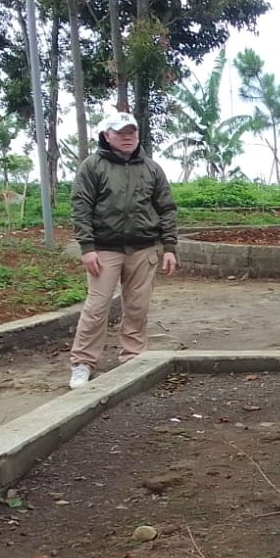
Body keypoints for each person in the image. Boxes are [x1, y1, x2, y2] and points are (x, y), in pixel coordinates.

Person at [67, 110, 178, 387]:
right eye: (120, 132)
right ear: (107, 135)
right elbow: (81, 207)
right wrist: (87, 247)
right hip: (104, 249)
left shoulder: (152, 169)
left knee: (138, 307)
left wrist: (169, 247)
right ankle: (82, 361)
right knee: (97, 306)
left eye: (132, 132)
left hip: (143, 248)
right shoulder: (92, 166)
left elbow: (166, 208)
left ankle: (132, 358)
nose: (127, 137)